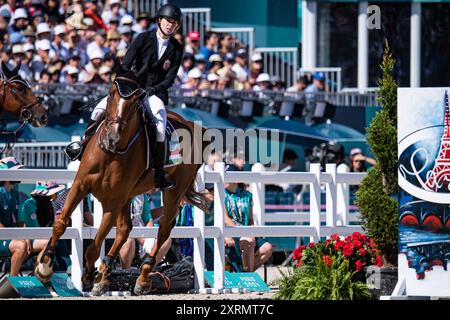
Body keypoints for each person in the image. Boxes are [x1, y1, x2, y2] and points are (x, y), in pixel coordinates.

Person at [65, 4, 183, 192]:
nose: (170, 25)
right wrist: (127, 84)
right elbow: (127, 63)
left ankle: (159, 173)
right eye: (168, 21)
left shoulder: (176, 48)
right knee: (99, 110)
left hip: (154, 94)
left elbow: (170, 79)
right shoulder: (143, 38)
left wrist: (152, 90)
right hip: (132, 89)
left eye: (174, 23)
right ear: (160, 20)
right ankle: (81, 146)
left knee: (160, 128)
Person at [223, 164, 273, 272]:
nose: (223, 179)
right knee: (248, 242)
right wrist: (244, 232)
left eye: (227, 176)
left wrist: (252, 231)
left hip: (246, 232)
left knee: (267, 248)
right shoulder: (221, 194)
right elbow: (225, 219)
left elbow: (250, 219)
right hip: (231, 232)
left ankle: (243, 274)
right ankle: (247, 276)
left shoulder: (247, 195)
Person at [0, 157, 29, 276]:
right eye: (16, 170)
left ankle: (37, 280)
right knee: (21, 245)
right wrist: (18, 238)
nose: (18, 173)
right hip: (3, 236)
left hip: (10, 236)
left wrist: (26, 237)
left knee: (47, 243)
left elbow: (21, 221)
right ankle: (13, 282)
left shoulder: (14, 194)